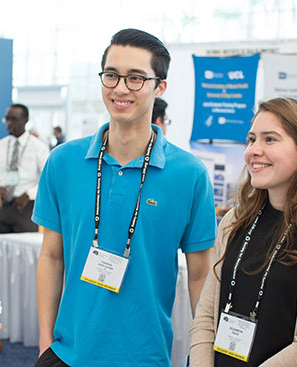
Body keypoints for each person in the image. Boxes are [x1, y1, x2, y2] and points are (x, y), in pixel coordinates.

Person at [33, 28, 217, 367]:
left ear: (160, 86)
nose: (120, 88)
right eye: (111, 75)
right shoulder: (63, 162)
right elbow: (51, 257)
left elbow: (199, 274)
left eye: (135, 78)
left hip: (144, 356)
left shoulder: (190, 175)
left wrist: (206, 355)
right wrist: (46, 344)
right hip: (66, 354)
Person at [190, 97, 297, 366]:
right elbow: (205, 319)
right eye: (251, 139)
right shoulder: (235, 221)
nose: (253, 150)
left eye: (270, 139)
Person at [0, 103, 49, 237]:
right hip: (3, 206)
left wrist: (29, 194)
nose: (9, 123)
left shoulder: (39, 148)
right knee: (1, 251)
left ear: (26, 120)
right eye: (7, 119)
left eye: (14, 119)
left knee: (24, 252)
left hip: (26, 206)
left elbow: (47, 181)